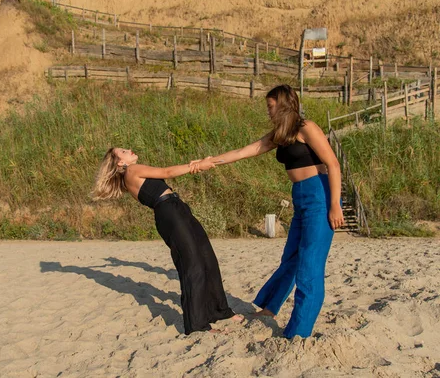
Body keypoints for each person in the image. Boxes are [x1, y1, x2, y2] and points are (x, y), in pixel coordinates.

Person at [191, 84, 344, 339]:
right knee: (291, 257)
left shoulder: (307, 128)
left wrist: (335, 204)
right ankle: (270, 307)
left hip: (320, 195)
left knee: (309, 266)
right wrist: (210, 162)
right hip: (301, 198)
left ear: (283, 104)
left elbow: (333, 163)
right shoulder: (281, 134)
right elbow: (245, 151)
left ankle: (298, 332)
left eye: (271, 107)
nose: (268, 112)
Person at [93, 148, 243, 335]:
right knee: (193, 265)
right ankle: (197, 325)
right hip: (169, 213)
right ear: (120, 163)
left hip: (177, 208)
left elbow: (165, 173)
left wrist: (194, 164)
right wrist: (197, 166)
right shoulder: (132, 171)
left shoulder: (133, 173)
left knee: (208, 258)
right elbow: (166, 172)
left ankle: (220, 311)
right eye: (123, 151)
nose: (129, 150)